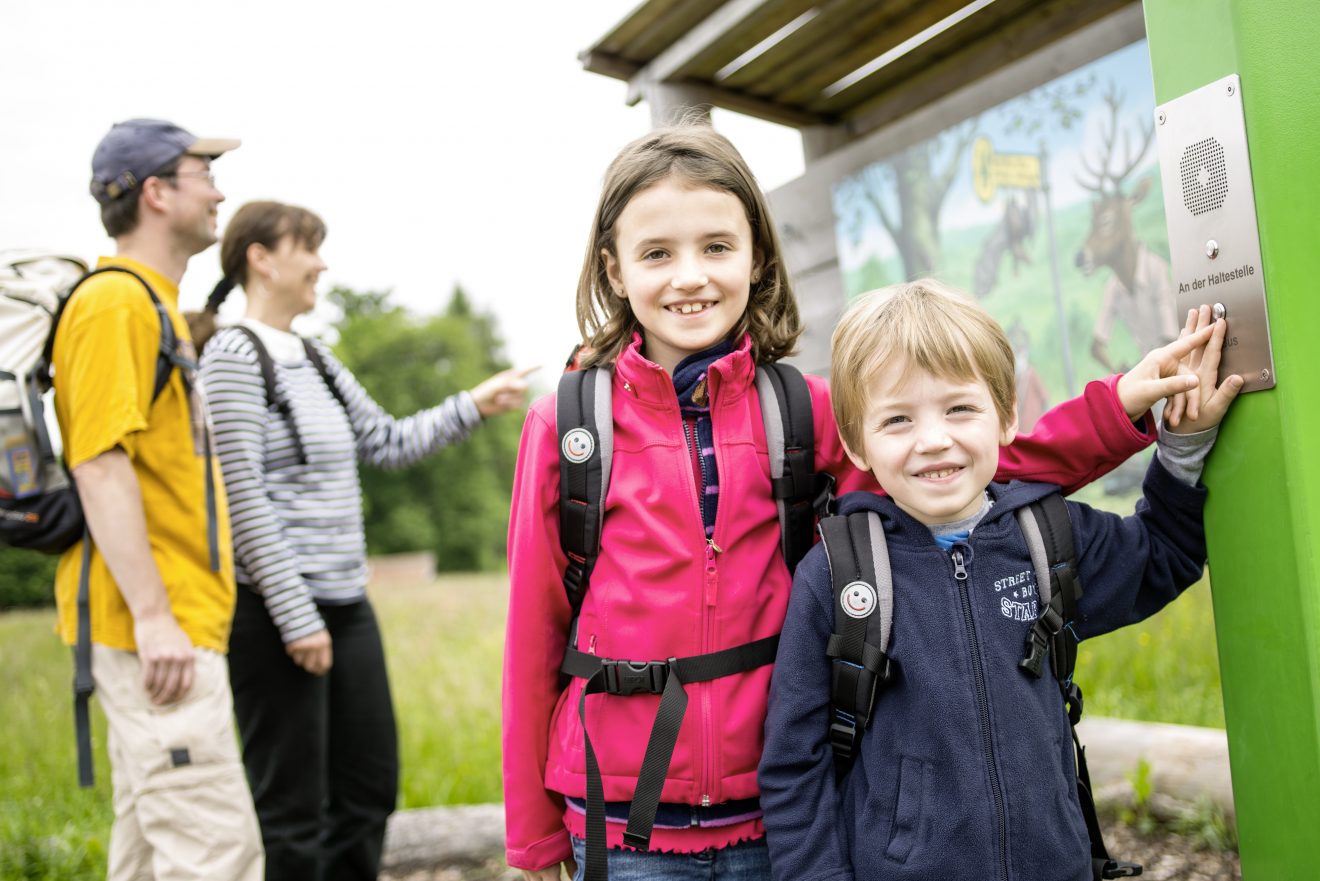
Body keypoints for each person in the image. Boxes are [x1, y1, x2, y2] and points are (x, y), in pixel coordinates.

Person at [501, 121, 1192, 881]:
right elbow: (534, 633)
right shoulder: (568, 426)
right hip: (623, 823)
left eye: (716, 247)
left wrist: (1120, 407)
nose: (689, 276)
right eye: (657, 253)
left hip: (775, 812)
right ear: (614, 266)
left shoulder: (804, 413)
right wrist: (533, 837)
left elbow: (969, 470)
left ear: (757, 254)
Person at [757, 281, 1241, 881]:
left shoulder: (1048, 536)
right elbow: (792, 768)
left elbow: (1165, 554)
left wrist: (1184, 446)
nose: (934, 440)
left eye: (959, 408)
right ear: (858, 444)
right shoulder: (836, 575)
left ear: (1007, 416)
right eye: (898, 419)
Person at [192, 199, 532, 881]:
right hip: (277, 616)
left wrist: (473, 403)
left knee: (369, 788)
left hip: (347, 605)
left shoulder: (315, 357)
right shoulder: (233, 354)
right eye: (308, 247)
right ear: (261, 257)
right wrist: (297, 619)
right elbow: (242, 498)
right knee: (294, 813)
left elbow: (386, 439)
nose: (321, 262)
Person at [52, 119, 263, 880]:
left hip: (168, 625)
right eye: (202, 172)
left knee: (148, 855)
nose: (218, 190)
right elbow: (99, 464)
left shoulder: (153, 304)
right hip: (155, 630)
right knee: (217, 856)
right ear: (155, 193)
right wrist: (152, 616)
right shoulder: (116, 304)